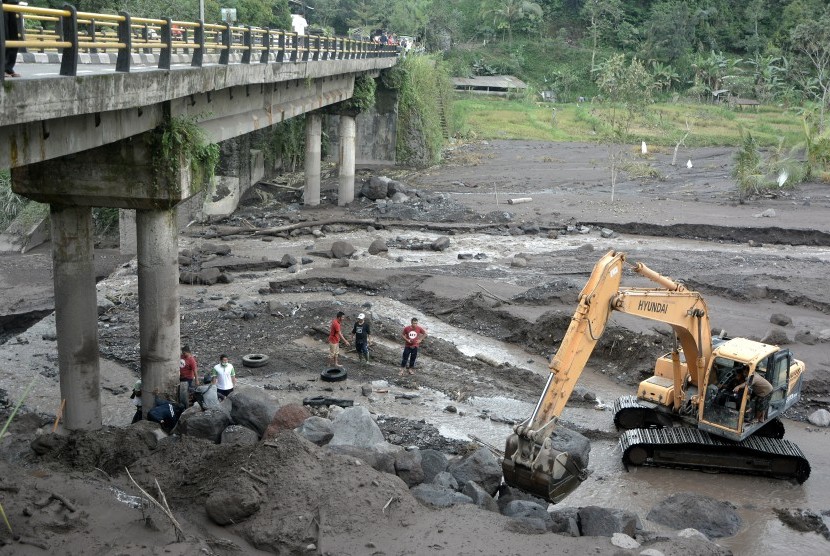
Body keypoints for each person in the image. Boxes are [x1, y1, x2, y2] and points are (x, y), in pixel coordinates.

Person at [3, 0, 21, 78]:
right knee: (4, 35)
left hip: (11, 3)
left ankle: (8, 68)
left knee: (13, 37)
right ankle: (2, 69)